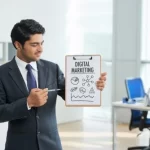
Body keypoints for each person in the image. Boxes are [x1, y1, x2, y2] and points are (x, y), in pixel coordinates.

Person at [0, 19, 107, 150]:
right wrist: (28, 103)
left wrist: (93, 86)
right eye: (34, 45)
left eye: (41, 43)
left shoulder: (52, 68)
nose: (40, 49)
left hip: (51, 144)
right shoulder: (2, 73)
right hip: (19, 145)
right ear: (18, 45)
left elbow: (71, 95)